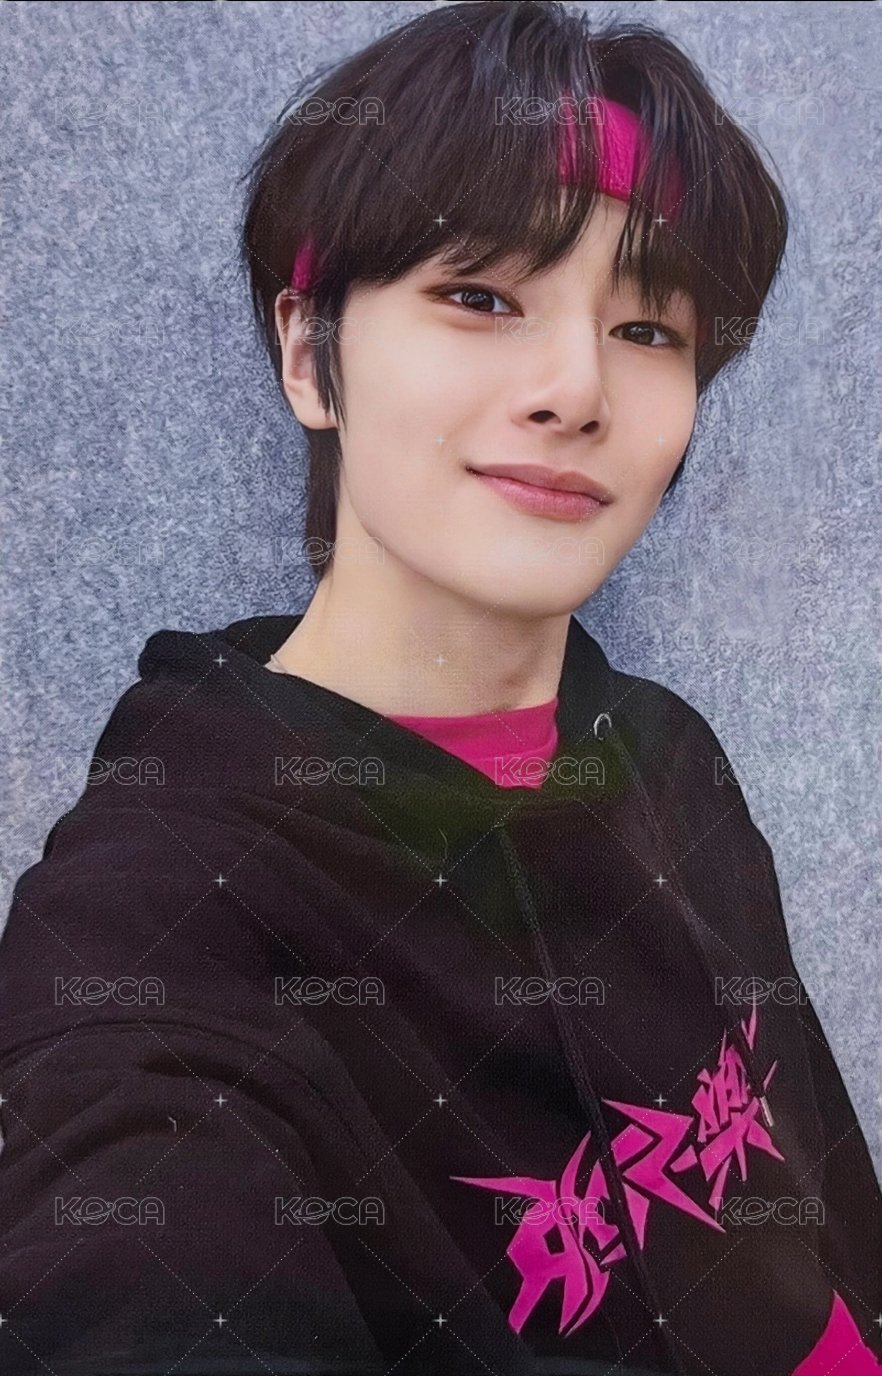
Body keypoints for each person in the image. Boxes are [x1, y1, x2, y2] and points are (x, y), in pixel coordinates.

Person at [1, 4, 879, 1374]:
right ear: (311, 354)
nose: (576, 388)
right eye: (481, 297)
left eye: (648, 326)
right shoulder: (160, 910)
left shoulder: (670, 754)